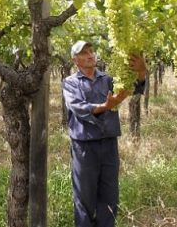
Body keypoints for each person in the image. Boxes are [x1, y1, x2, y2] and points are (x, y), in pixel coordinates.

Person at [62, 40, 147, 227]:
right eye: (84, 53)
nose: (90, 55)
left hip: (108, 144)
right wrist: (106, 106)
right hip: (84, 146)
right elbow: (79, 108)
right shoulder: (70, 83)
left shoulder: (108, 79)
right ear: (75, 60)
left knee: (110, 196)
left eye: (91, 51)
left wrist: (141, 71)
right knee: (84, 198)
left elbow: (134, 88)